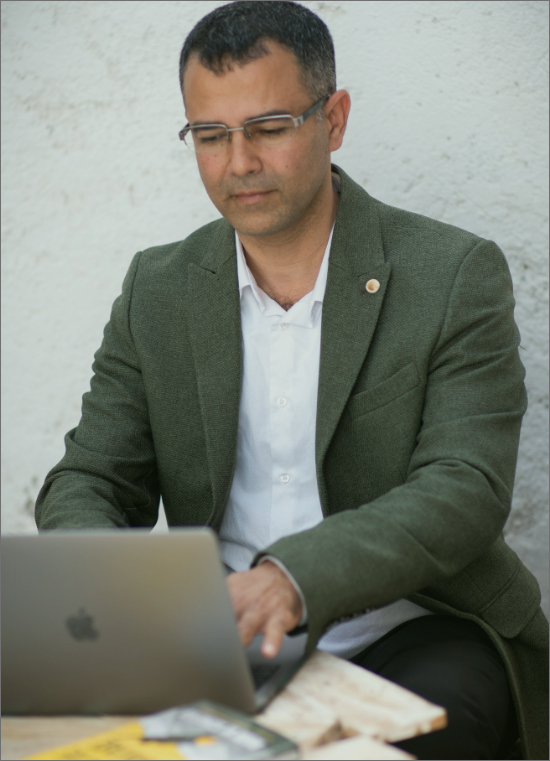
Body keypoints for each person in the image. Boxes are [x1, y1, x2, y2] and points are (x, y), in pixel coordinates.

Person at [35, 2, 547, 759]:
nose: (238, 161)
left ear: (333, 119)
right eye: (210, 136)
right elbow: (89, 478)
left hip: (412, 626)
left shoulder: (451, 273)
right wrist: (127, 607)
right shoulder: (160, 288)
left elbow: (464, 489)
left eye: (268, 128)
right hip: (212, 643)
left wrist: (291, 576)